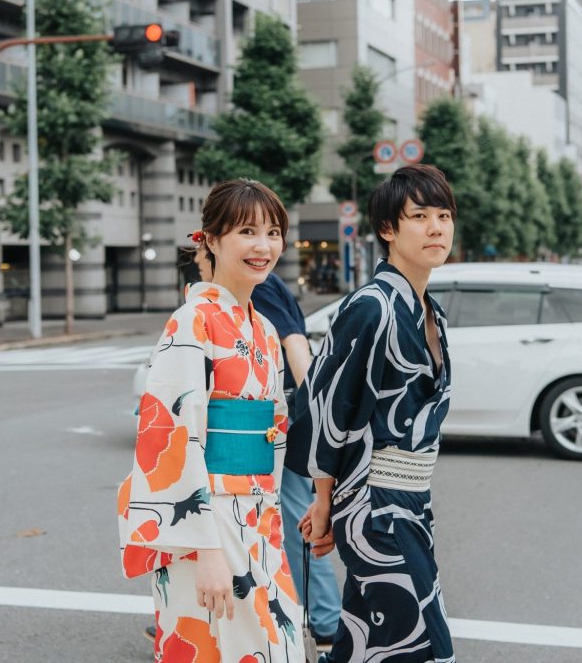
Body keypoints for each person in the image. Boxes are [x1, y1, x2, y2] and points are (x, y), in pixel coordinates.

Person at [117, 178, 304, 663]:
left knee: (273, 646)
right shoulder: (192, 321)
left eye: (273, 232)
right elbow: (171, 433)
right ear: (212, 240)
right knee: (221, 648)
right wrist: (205, 549)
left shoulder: (263, 327)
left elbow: (274, 433)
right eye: (247, 231)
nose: (263, 246)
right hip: (209, 519)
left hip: (258, 517)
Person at [287, 164, 457, 663]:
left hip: (411, 502)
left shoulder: (430, 311)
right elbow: (328, 405)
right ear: (387, 229)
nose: (436, 228)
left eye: (444, 215)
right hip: (376, 506)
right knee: (425, 647)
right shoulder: (372, 306)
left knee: (363, 645)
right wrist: (324, 503)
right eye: (419, 216)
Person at [251, 271, 342, 646]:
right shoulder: (247, 282)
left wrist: (313, 408)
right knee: (278, 514)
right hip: (271, 415)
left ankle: (327, 617)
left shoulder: (256, 283)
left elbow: (294, 342)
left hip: (270, 417)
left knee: (288, 515)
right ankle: (325, 617)